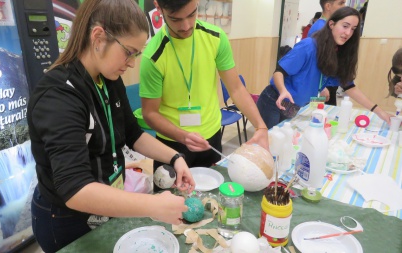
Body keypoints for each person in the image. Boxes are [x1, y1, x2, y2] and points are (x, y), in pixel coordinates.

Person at [27, 0, 195, 252]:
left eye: (137, 54)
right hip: (66, 218)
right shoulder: (58, 96)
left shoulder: (109, 78)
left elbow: (132, 134)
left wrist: (175, 157)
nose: (132, 63)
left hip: (107, 202)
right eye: (129, 52)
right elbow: (75, 189)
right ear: (98, 36)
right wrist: (151, 205)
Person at [139, 0, 269, 174]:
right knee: (173, 199)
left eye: (192, 14)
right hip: (172, 145)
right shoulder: (153, 56)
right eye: (175, 19)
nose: (186, 26)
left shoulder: (215, 38)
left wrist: (260, 126)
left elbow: (236, 88)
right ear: (158, 7)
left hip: (211, 139)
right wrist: (182, 136)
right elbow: (150, 113)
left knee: (212, 199)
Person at [256, 7, 392, 129]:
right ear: (331, 24)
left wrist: (379, 111)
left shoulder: (338, 53)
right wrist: (283, 90)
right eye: (345, 26)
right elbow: (279, 72)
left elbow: (350, 87)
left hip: (294, 106)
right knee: (268, 142)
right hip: (274, 100)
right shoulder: (308, 46)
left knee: (282, 143)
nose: (348, 33)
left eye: (353, 29)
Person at [308, 0, 346, 106]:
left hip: (329, 80)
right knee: (317, 110)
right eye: (341, 3)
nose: (344, 6)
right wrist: (322, 87)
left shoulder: (330, 26)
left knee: (326, 114)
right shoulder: (320, 27)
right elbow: (314, 60)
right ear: (328, 6)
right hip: (323, 83)